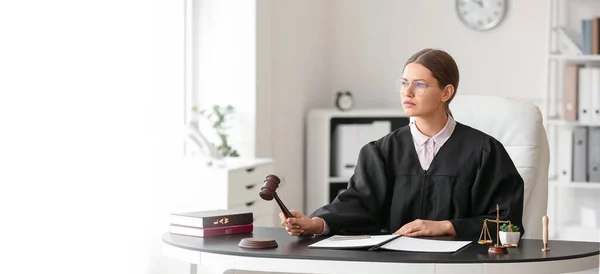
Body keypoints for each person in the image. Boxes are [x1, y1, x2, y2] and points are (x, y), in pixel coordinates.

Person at [280, 48, 525, 239]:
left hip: (461, 267)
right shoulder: (382, 151)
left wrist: (446, 226)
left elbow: (507, 221)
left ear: (446, 92)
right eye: (404, 83)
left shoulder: (484, 152)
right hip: (396, 264)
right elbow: (357, 205)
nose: (407, 93)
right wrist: (317, 223)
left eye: (419, 85)